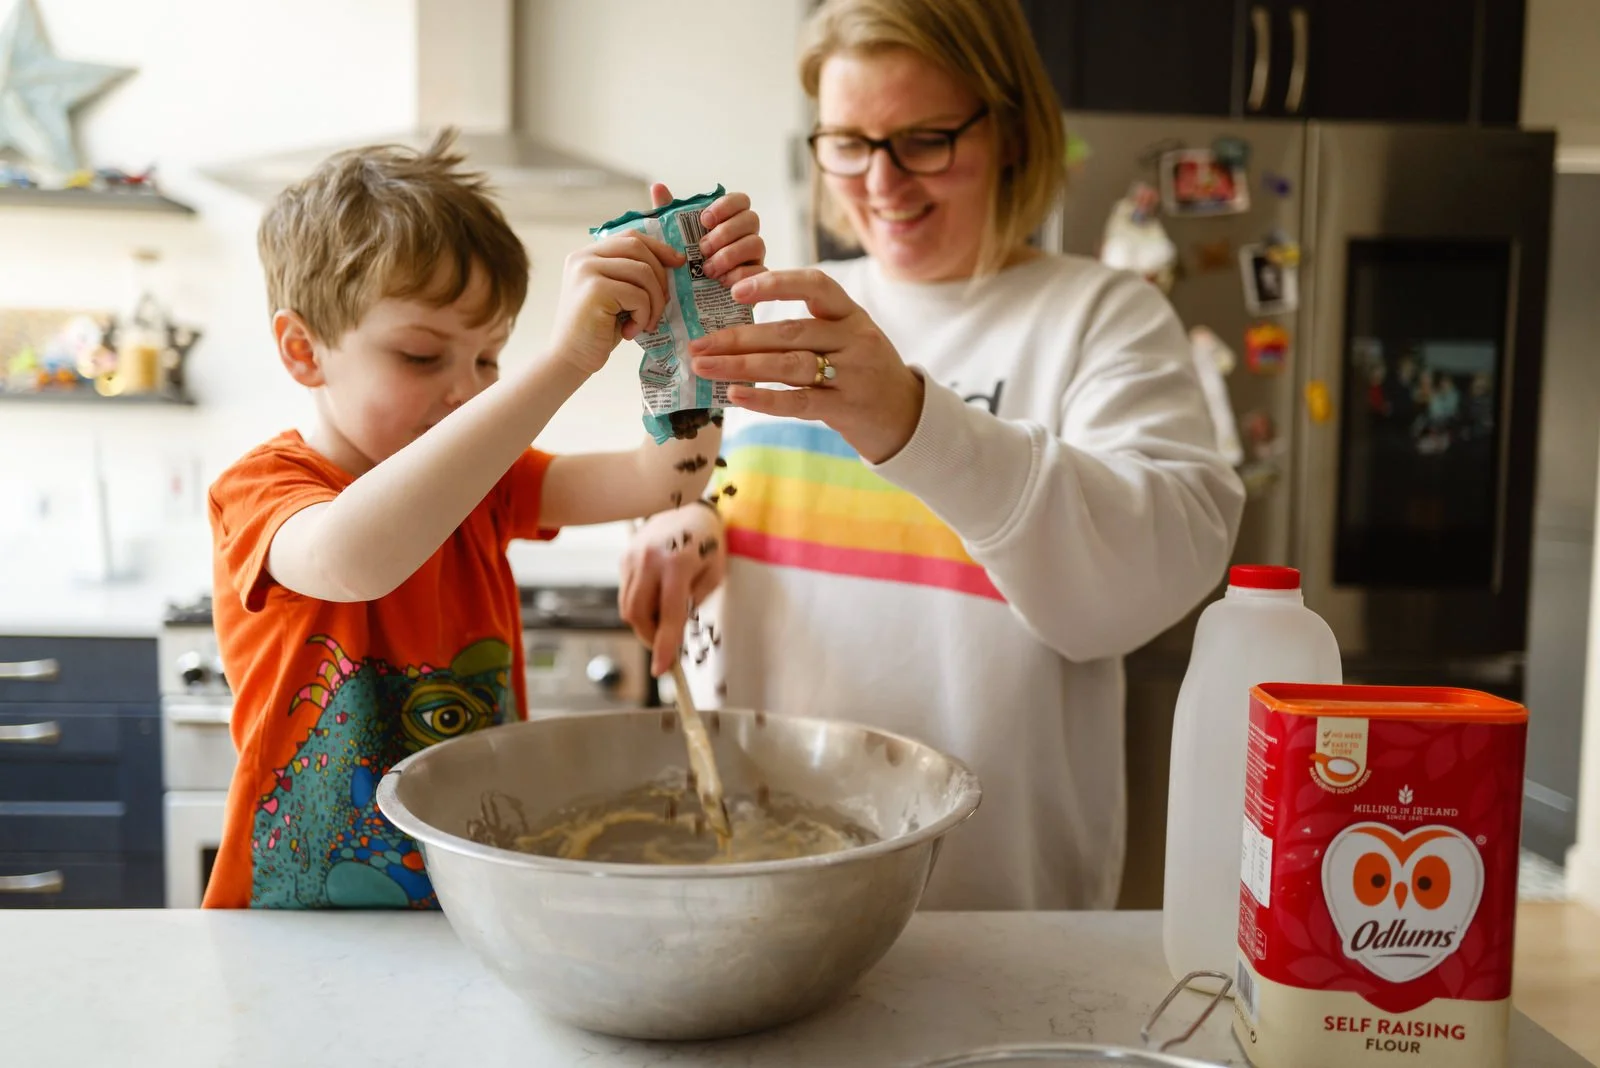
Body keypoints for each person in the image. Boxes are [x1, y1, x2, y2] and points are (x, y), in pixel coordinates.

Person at [619, 0, 1245, 911]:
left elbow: (1129, 596)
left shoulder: (1101, 317)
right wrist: (687, 536)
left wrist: (913, 421)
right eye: (848, 141)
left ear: (1012, 131)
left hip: (996, 910)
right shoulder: (780, 312)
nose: (881, 182)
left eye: (924, 139)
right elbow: (733, 512)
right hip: (762, 888)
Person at [203, 131, 761, 908]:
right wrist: (562, 362)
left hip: (470, 904)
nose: (467, 391)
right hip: (292, 927)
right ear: (304, 351)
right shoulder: (265, 488)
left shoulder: (488, 483)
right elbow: (356, 559)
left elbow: (663, 478)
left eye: (489, 358)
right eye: (423, 357)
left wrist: (696, 328)